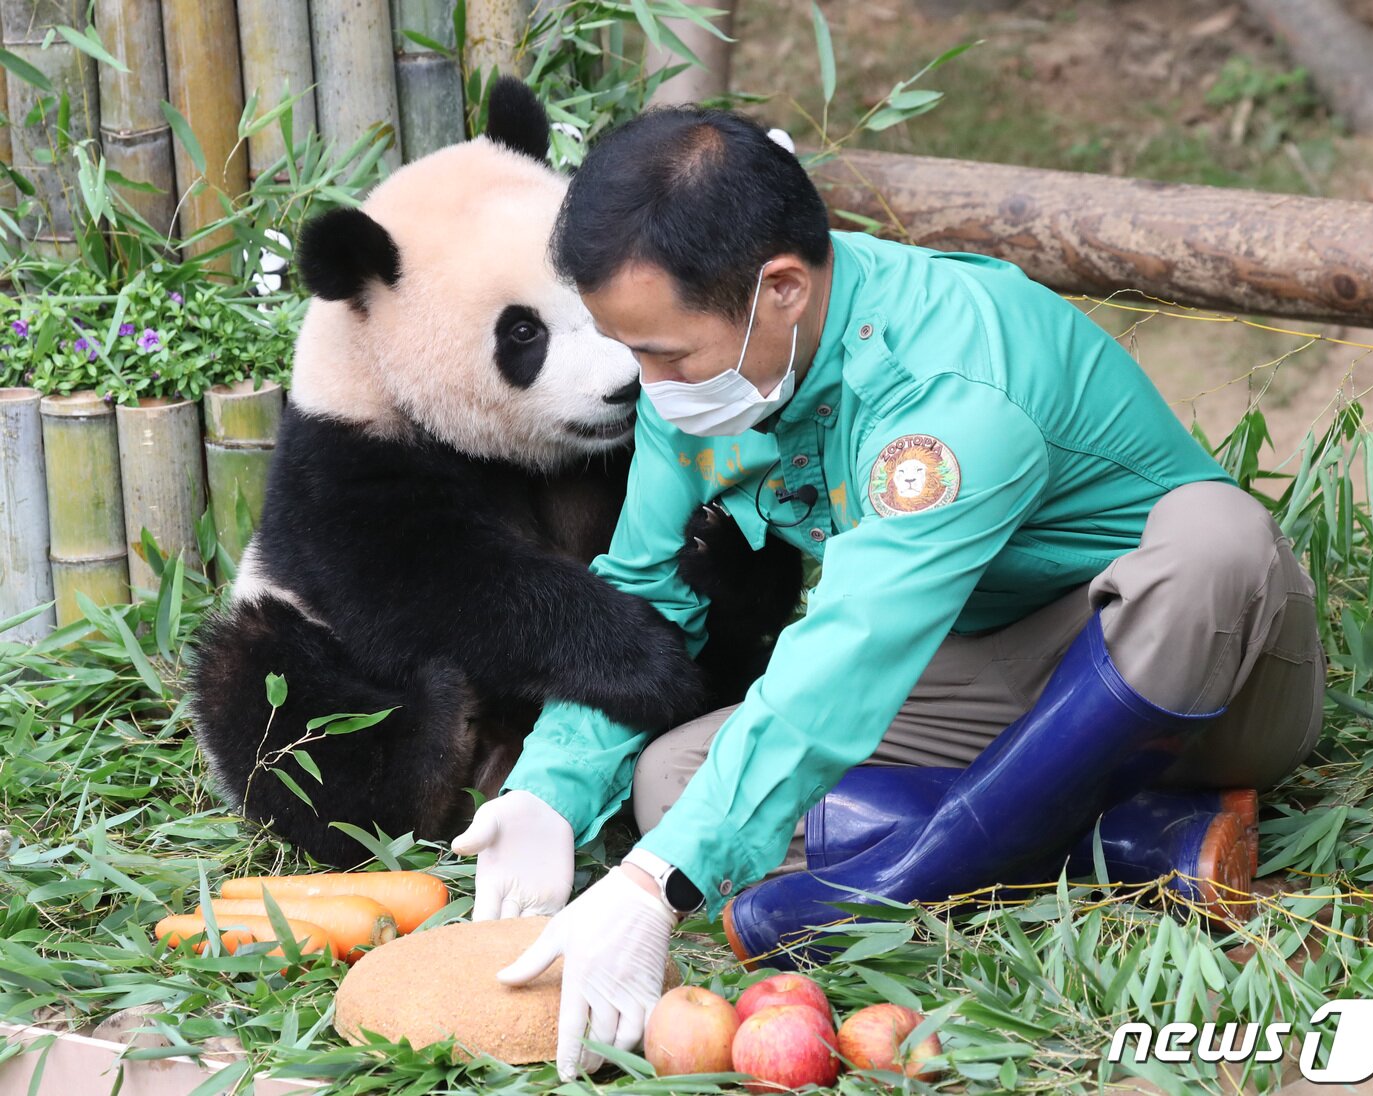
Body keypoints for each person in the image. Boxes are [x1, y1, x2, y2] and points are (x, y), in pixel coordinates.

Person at [450, 105, 1325, 1080]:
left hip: (1195, 670)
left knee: (1215, 538)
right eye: (632, 349)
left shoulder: (949, 381)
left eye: (668, 354)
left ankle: (903, 871)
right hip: (986, 659)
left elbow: (855, 645)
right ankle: (1131, 839)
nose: (645, 386)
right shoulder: (701, 373)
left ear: (781, 288)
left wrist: (654, 884)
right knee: (674, 785)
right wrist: (552, 786)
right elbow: (647, 588)